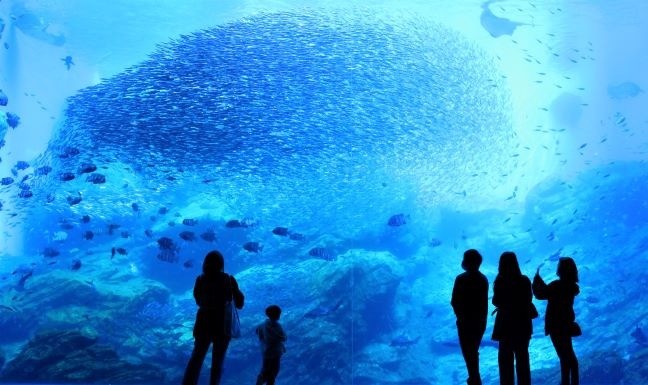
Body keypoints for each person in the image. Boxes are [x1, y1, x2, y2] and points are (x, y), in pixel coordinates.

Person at [182, 250, 244, 385]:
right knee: (218, 361)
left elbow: (198, 301)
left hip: (203, 324)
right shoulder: (228, 279)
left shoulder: (200, 279)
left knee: (196, 359)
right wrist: (235, 290)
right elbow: (240, 304)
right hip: (222, 325)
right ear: (221, 264)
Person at [533, 257, 580, 385]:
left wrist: (535, 281)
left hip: (555, 325)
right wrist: (540, 282)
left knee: (564, 357)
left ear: (561, 269)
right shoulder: (571, 286)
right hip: (566, 324)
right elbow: (548, 291)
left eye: (559, 265)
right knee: (569, 356)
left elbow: (540, 294)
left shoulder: (557, 285)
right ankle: (574, 382)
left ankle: (565, 383)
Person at [491, 251, 533, 385]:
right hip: (523, 324)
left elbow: (496, 301)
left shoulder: (500, 281)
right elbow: (528, 299)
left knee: (505, 362)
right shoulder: (524, 280)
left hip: (505, 326)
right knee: (523, 359)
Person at [451, 249, 489, 385]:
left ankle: (474, 378)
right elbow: (482, 304)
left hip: (464, 322)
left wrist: (460, 316)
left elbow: (454, 301)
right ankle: (474, 377)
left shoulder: (460, 279)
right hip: (479, 322)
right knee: (472, 350)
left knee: (468, 351)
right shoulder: (483, 279)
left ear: (466, 262)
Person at [255, 305, 287, 385]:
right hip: (275, 352)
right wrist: (284, 337)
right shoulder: (277, 326)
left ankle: (260, 381)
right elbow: (282, 337)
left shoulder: (262, 325)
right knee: (274, 370)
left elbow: (257, 331)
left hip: (266, 351)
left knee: (265, 369)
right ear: (277, 315)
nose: (279, 315)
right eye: (279, 314)